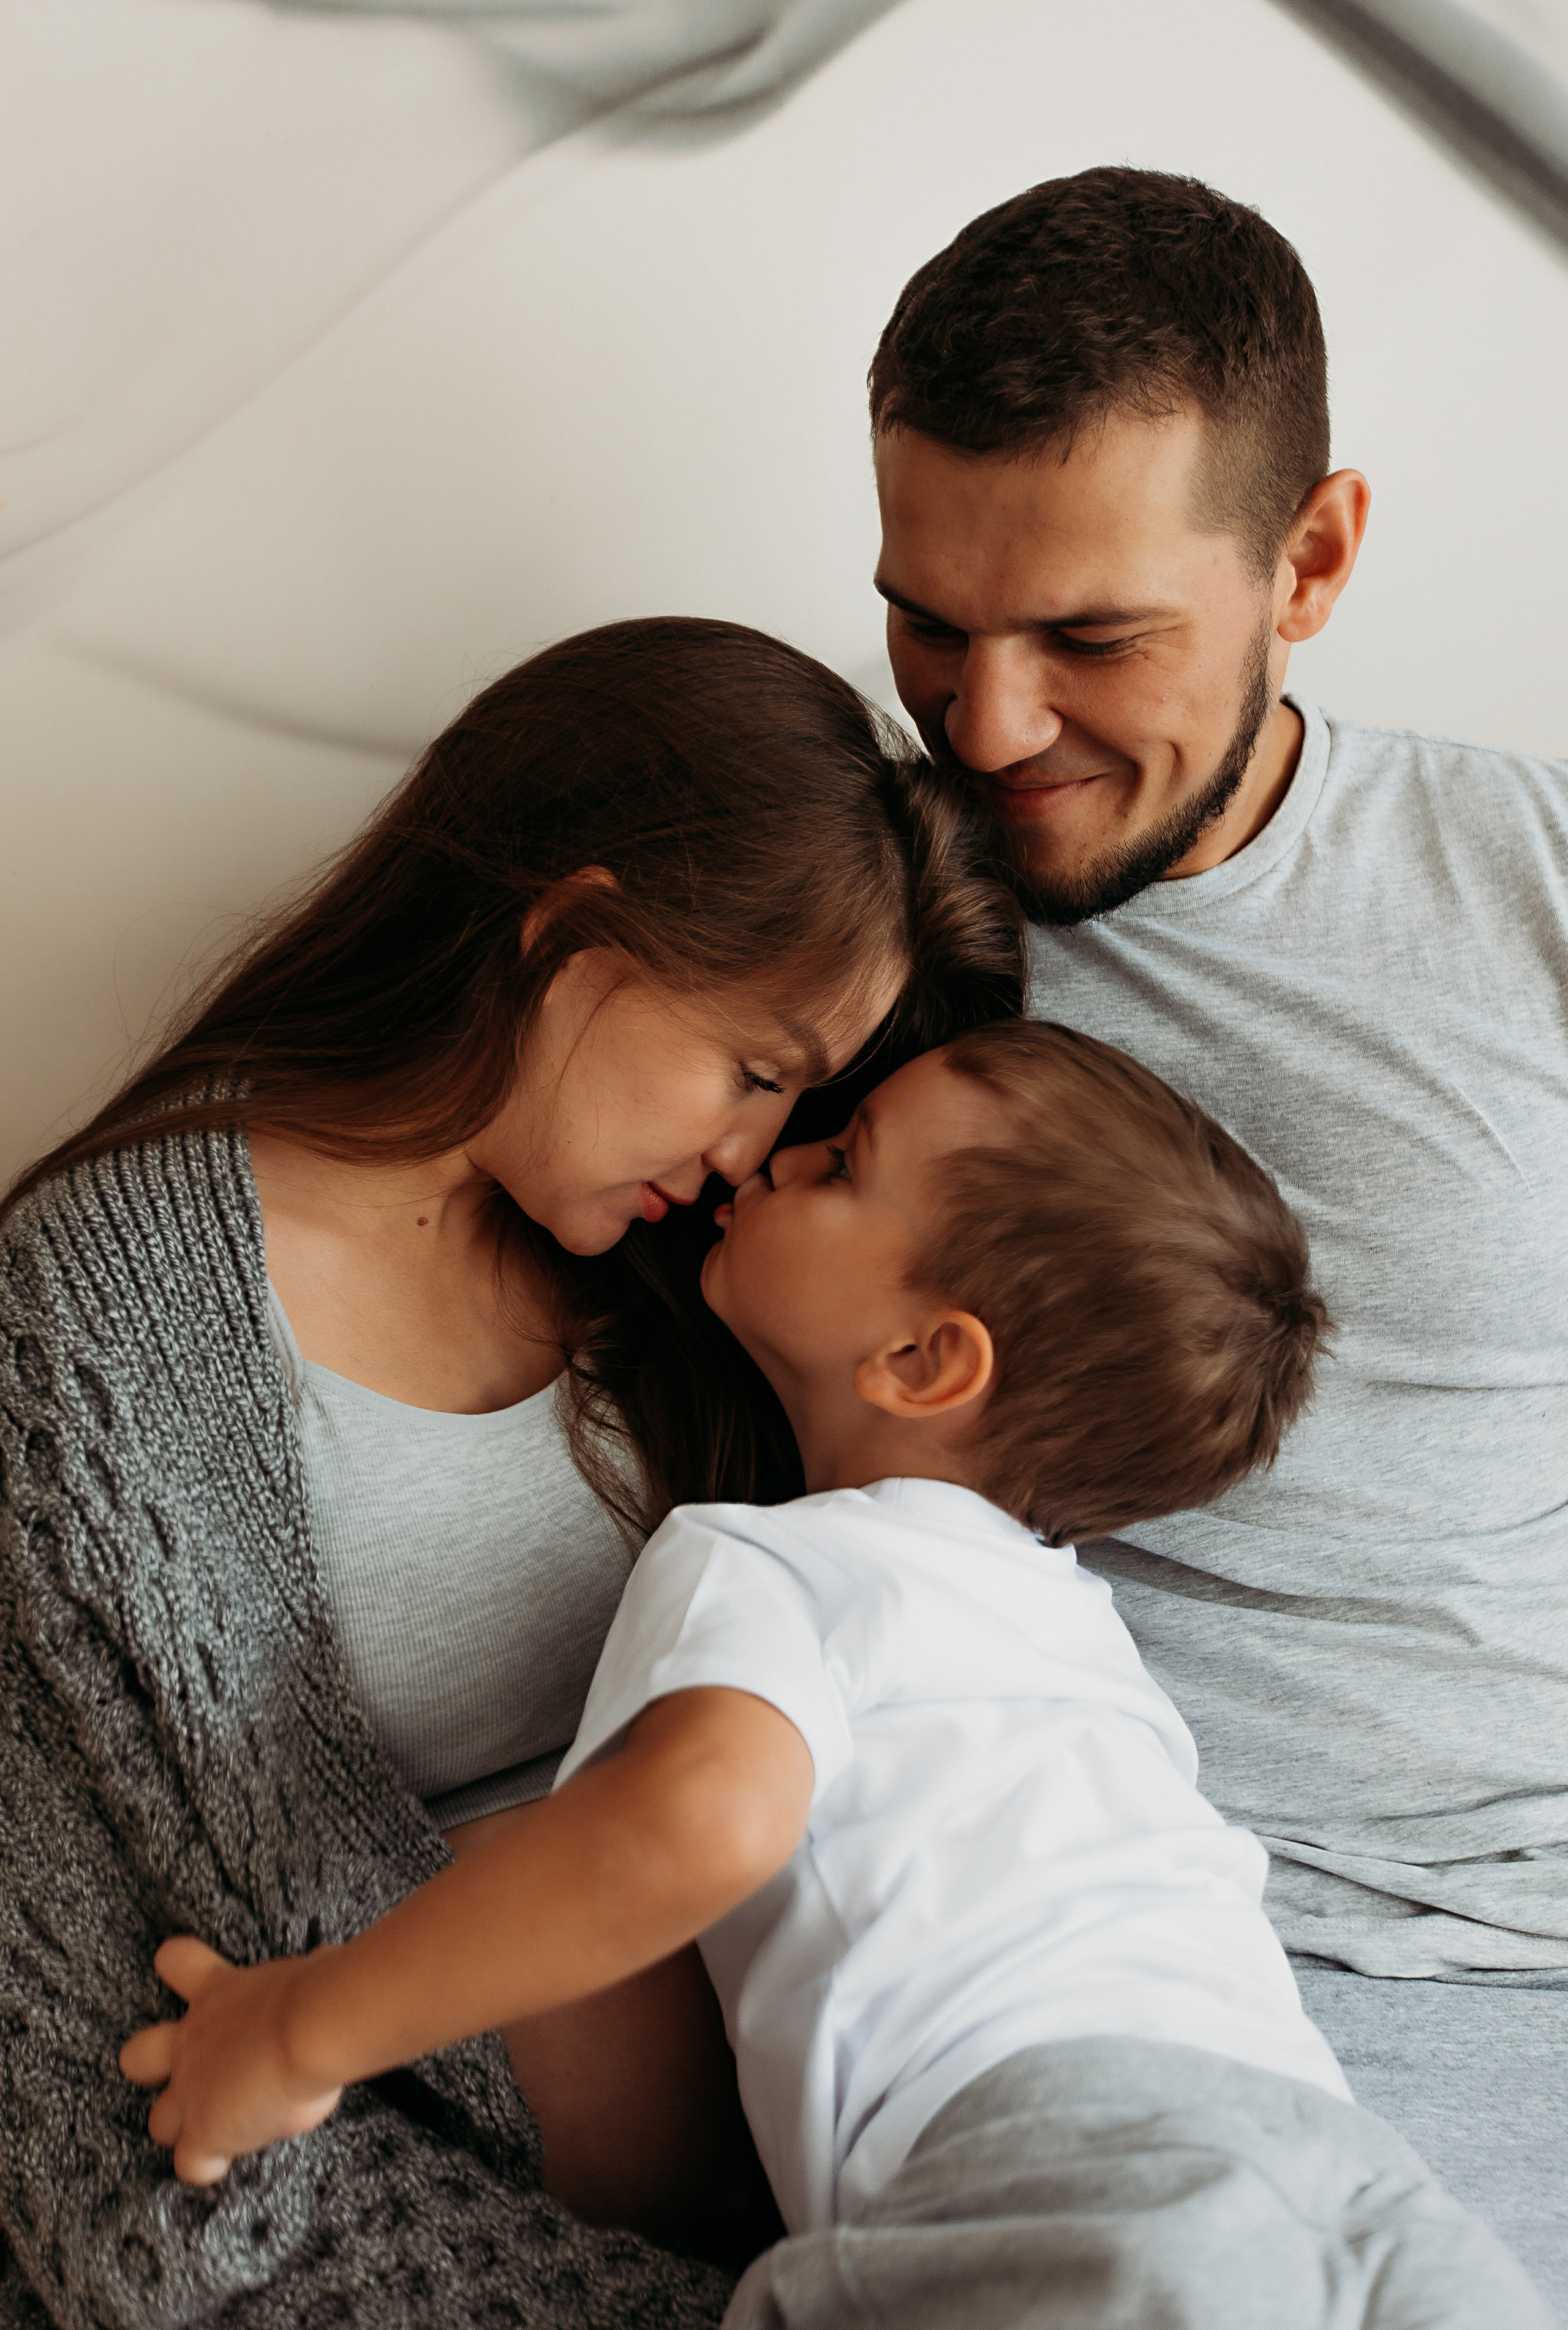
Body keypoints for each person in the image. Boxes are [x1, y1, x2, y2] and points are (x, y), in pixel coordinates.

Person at [118, 1021, 1549, 2328]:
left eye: (847, 1162)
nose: (788, 1153)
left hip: (1048, 2167)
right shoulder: (1069, 1632)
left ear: (923, 1360)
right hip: (1350, 2175)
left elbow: (695, 1824)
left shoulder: (777, 1566)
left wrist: (299, 2032)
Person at [0, 616, 1022, 2329]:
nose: (749, 1153)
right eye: (752, 1071)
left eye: (800, 1107)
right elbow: (98, 2103)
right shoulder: (94, 1332)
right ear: (567, 932)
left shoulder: (700, 1289)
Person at [865, 165, 1568, 2304]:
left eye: (1092, 641)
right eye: (929, 624)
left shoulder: (1529, 879)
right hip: (1099, 1950)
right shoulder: (845, 923)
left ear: (1312, 559)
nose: (990, 728)